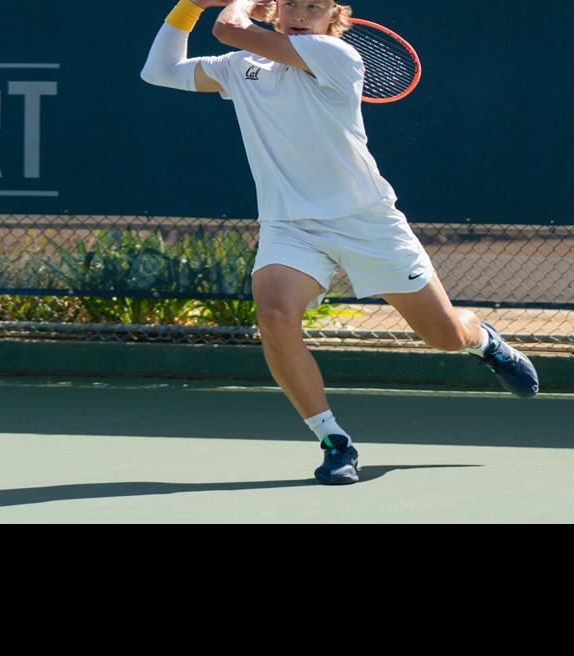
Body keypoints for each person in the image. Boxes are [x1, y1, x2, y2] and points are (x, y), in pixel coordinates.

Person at [141, 0, 538, 485]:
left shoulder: (336, 56)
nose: (301, 13)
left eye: (314, 6)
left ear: (334, 18)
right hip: (291, 226)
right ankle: (333, 441)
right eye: (292, 4)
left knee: (442, 337)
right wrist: (187, 8)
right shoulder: (241, 68)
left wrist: (230, 3)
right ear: (275, 10)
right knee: (274, 315)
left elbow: (228, 28)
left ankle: (483, 339)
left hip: (367, 223)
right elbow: (159, 71)